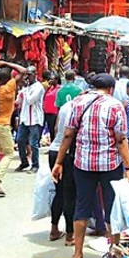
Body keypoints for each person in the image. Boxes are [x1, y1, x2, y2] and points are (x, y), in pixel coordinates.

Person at [51, 73, 129, 258]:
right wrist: (128, 166)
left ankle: (78, 254)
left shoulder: (78, 103)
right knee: (112, 207)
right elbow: (121, 139)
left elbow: (67, 135)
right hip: (110, 164)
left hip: (83, 164)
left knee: (82, 206)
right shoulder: (115, 106)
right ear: (111, 89)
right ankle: (114, 252)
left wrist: (59, 162)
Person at [0, 60, 27, 196]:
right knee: (9, 153)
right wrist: (6, 63)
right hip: (2, 124)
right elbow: (23, 71)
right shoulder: (9, 87)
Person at [48, 91, 80, 246]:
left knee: (58, 193)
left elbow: (55, 129)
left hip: (54, 150)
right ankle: (69, 235)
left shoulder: (65, 106)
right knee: (70, 195)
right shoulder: (79, 107)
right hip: (66, 153)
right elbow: (70, 135)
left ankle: (54, 229)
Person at [17, 66, 45, 173]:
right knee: (20, 140)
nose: (27, 77)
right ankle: (24, 162)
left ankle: (35, 165)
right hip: (24, 118)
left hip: (35, 119)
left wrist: (25, 89)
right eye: (26, 74)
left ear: (35, 74)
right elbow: (19, 100)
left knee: (33, 143)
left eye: (29, 74)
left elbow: (30, 100)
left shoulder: (39, 87)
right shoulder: (26, 88)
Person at [43, 74, 61, 143]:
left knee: (53, 130)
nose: (50, 80)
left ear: (56, 80)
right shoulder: (49, 88)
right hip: (46, 111)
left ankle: (54, 145)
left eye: (52, 79)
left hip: (54, 112)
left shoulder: (59, 89)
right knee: (49, 130)